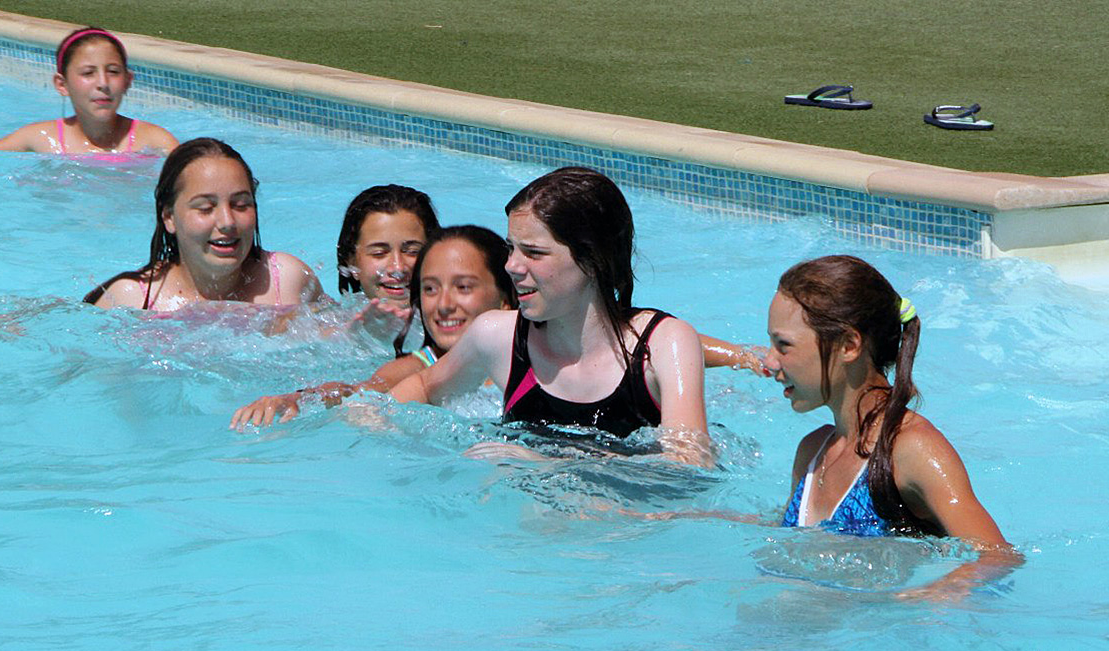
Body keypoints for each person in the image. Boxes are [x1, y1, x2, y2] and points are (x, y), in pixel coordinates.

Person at [389, 166, 711, 464]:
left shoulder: (661, 346)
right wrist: (374, 420)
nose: (511, 266)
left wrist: (548, 465)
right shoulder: (497, 337)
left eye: (533, 252)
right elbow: (424, 387)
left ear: (592, 260)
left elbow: (688, 468)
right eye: (511, 248)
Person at [766, 254, 1021, 599]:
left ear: (849, 345)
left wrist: (927, 596)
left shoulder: (910, 448)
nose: (768, 362)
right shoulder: (812, 453)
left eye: (783, 345)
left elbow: (998, 557)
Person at [231, 224, 517, 428]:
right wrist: (296, 399)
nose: (443, 304)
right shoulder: (419, 366)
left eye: (463, 287)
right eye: (430, 289)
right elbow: (360, 390)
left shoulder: (533, 357)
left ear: (507, 300)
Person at [83, 137, 323, 310]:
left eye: (241, 205)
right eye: (206, 208)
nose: (227, 222)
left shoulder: (287, 280)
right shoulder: (131, 301)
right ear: (169, 217)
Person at [0, 27, 177, 155]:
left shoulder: (154, 141)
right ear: (62, 84)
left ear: (128, 80)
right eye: (88, 73)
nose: (102, 83)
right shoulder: (37, 138)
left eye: (113, 71)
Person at [335, 185, 441, 352]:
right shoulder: (332, 323)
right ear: (351, 263)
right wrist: (357, 338)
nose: (398, 268)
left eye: (413, 251)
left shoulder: (460, 320)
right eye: (379, 253)